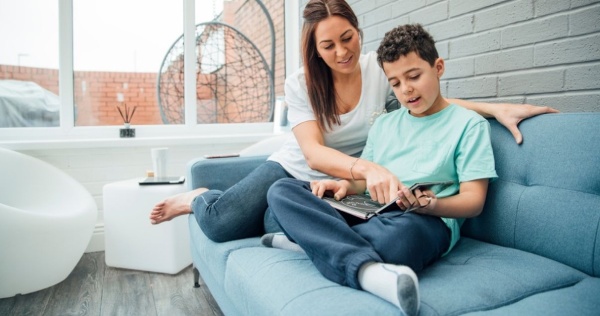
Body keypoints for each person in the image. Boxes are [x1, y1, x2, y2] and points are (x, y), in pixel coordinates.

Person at [149, 0, 556, 243]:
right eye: (328, 45)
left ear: (358, 31)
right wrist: (367, 167)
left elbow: (430, 97)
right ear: (316, 50)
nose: (342, 51)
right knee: (222, 224)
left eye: (348, 37)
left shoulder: (380, 74)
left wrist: (495, 108)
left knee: (275, 219)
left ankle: (244, 202)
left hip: (343, 185)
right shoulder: (301, 85)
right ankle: (200, 195)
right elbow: (313, 152)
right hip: (294, 169)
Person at [262, 23, 498, 316]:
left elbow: (474, 201)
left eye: (414, 76)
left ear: (438, 68)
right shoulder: (385, 123)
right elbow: (363, 183)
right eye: (395, 83)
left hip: (422, 219)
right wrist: (345, 186)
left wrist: (432, 205)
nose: (406, 89)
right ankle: (356, 263)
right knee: (282, 192)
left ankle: (313, 245)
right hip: (367, 209)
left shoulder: (469, 125)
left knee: (396, 243)